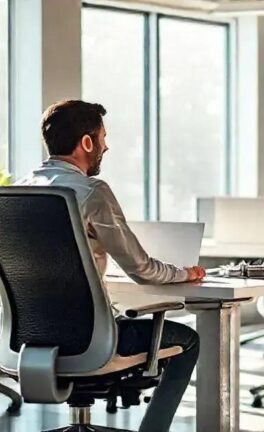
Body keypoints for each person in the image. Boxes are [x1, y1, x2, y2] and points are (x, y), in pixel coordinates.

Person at [16, 100, 203, 432]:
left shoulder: (17, 192)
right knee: (188, 339)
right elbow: (142, 269)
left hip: (26, 343)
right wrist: (186, 273)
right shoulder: (91, 191)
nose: (106, 145)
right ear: (86, 142)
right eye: (103, 137)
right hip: (91, 340)